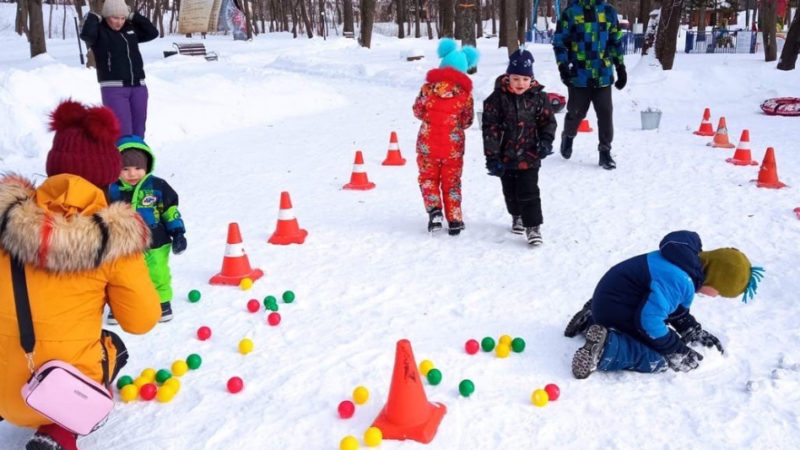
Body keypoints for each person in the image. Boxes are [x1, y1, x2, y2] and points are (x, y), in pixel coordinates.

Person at [0, 100, 161, 450]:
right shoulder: (115, 241)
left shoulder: (4, 219)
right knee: (114, 347)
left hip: (3, 383)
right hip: (48, 393)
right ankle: (59, 432)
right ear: (108, 174)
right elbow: (141, 320)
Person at [564, 230, 764, 379]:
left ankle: (590, 321)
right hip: (617, 307)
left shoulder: (682, 262)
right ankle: (607, 348)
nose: (714, 296)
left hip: (612, 299)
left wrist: (691, 330)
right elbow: (649, 322)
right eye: (719, 293)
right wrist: (676, 350)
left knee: (657, 322)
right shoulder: (679, 280)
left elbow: (672, 308)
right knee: (657, 357)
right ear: (715, 280)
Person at [482, 48, 558, 246]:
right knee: (510, 191)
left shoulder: (540, 98)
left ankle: (532, 226)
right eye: (516, 79)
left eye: (525, 80)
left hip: (530, 155)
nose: (520, 84)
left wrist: (546, 141)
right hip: (505, 156)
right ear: (508, 77)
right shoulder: (496, 99)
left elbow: (548, 122)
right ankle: (516, 215)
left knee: (529, 191)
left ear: (531, 80)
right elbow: (490, 129)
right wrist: (492, 157)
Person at [108, 136, 187, 324]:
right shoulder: (111, 189)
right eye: (125, 169)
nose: (132, 173)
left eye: (138, 168)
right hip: (122, 244)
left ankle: (162, 302)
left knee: (157, 271)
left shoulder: (158, 186)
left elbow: (170, 211)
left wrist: (178, 233)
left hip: (156, 241)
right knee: (121, 275)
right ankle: (119, 305)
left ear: (147, 165)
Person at [413, 38, 478, 236]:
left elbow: (417, 110)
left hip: (428, 144)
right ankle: (455, 219)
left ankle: (434, 212)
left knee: (428, 178)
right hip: (453, 147)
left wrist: (429, 119)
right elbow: (467, 120)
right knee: (452, 181)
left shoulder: (427, 89)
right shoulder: (465, 95)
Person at [552, 0, 626, 170]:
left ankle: (605, 151)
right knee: (576, 112)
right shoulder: (571, 12)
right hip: (579, 74)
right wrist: (563, 66)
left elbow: (615, 40)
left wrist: (620, 66)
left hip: (603, 74)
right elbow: (559, 41)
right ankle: (568, 135)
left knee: (605, 113)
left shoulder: (608, 11)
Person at [80, 0, 158, 139]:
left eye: (122, 18)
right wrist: (93, 17)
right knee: (122, 132)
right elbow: (86, 35)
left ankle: (136, 159)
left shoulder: (130, 29)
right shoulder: (99, 31)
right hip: (114, 88)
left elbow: (152, 32)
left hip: (138, 87)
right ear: (106, 16)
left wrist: (133, 16)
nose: (119, 22)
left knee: (139, 130)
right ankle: (120, 160)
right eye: (115, 18)